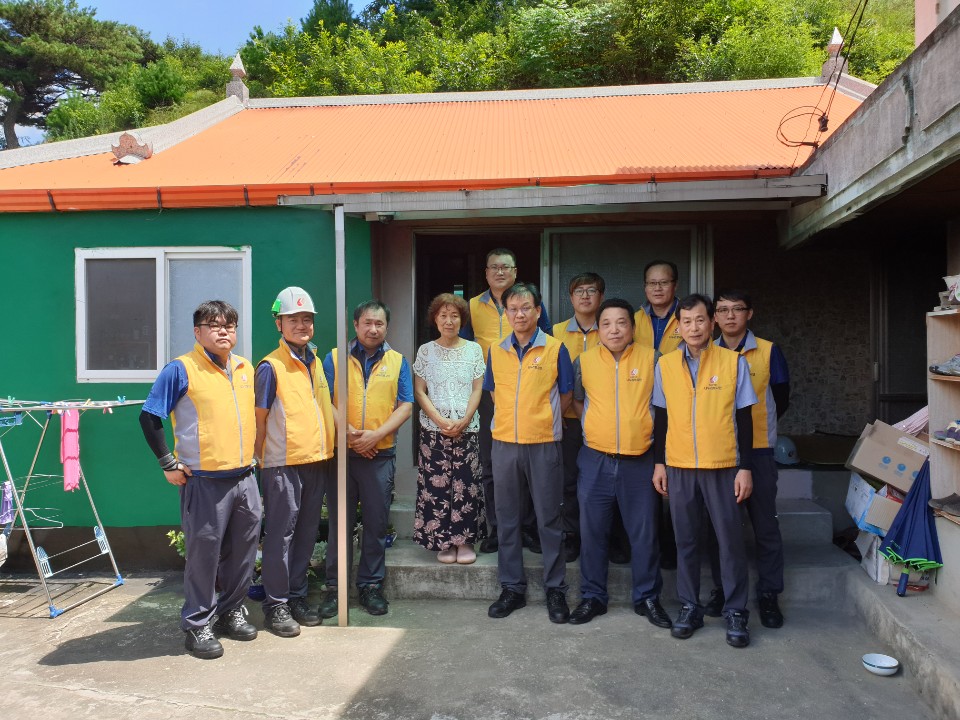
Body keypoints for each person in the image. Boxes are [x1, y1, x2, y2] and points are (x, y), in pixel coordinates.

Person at [139, 300, 260, 660]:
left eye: (230, 326)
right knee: (204, 556)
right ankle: (197, 624)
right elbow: (149, 417)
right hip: (205, 481)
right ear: (198, 332)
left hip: (245, 477)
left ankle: (232, 611)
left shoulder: (244, 368)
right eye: (214, 325)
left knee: (243, 553)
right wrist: (168, 463)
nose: (224, 331)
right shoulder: (180, 369)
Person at [651, 293, 758, 648]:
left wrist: (745, 468)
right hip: (679, 467)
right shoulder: (665, 365)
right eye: (686, 322)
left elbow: (745, 419)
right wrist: (659, 463)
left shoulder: (732, 362)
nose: (693, 328)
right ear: (678, 327)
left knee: (729, 542)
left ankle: (736, 610)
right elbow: (661, 419)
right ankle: (689, 606)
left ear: (711, 323)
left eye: (700, 320)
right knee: (686, 541)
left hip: (722, 466)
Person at [568, 299, 672, 629]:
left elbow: (664, 409)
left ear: (633, 328)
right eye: (608, 323)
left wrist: (659, 460)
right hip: (595, 459)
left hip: (640, 461)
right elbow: (579, 401)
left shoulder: (652, 359)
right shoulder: (583, 361)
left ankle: (648, 598)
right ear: (599, 328)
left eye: (622, 323)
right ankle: (593, 597)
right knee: (593, 532)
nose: (614, 329)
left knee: (644, 535)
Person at [483, 282, 574, 623]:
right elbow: (494, 394)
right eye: (513, 309)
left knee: (549, 518)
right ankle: (512, 588)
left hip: (543, 445)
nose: (519, 314)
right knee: (507, 520)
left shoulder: (555, 349)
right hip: (505, 445)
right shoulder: (496, 350)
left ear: (538, 311)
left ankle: (555, 589)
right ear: (506, 314)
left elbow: (565, 396)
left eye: (526, 308)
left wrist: (539, 422)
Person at [702, 289, 790, 629]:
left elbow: (781, 398)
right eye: (722, 310)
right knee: (721, 529)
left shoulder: (767, 351)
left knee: (765, 525)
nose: (729, 316)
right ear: (714, 319)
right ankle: (722, 590)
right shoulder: (706, 354)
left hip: (759, 452)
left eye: (737, 309)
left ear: (749, 314)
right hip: (720, 454)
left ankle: (769, 594)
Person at [320, 300, 413, 618]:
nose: (373, 329)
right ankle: (335, 589)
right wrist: (346, 434)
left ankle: (371, 587)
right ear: (356, 325)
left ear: (387, 327)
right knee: (339, 524)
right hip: (342, 456)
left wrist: (375, 436)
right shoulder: (334, 358)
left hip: (379, 454)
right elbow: (323, 397)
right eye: (367, 323)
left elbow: (406, 404)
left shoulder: (398, 361)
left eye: (380, 324)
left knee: (375, 524)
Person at [254, 287, 335, 637]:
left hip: (315, 460)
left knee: (305, 534)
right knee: (281, 536)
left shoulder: (314, 362)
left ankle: (297, 595)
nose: (301, 325)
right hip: (282, 464)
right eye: (293, 319)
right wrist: (257, 461)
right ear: (279, 323)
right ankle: (276, 605)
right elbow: (259, 420)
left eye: (307, 319)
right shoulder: (270, 368)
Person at [461, 248, 551, 553]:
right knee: (491, 463)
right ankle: (498, 528)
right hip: (488, 393)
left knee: (524, 463)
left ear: (515, 272)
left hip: (526, 393)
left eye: (506, 268)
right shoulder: (472, 305)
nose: (500, 272)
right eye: (494, 268)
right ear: (486, 273)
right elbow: (462, 346)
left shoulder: (528, 304)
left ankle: (526, 527)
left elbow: (548, 342)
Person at [412, 293, 486, 564]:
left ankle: (465, 541)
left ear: (462, 320)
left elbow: (478, 388)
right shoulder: (425, 351)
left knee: (466, 485)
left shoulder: (474, 350)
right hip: (434, 430)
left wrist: (465, 419)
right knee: (437, 487)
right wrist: (439, 419)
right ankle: (442, 541)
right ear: (435, 319)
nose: (449, 320)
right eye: (443, 315)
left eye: (454, 315)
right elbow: (420, 391)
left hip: (467, 429)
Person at [633, 259, 683, 568]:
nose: (658, 288)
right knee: (645, 486)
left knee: (675, 488)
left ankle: (673, 548)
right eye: (652, 283)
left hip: (678, 414)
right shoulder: (634, 320)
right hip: (641, 412)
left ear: (675, 285)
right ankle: (646, 548)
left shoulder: (688, 318)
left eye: (663, 282)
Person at [553, 272, 605, 563]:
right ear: (570, 298)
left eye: (592, 290)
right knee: (569, 481)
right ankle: (571, 536)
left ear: (600, 296)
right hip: (568, 420)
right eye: (579, 291)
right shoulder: (557, 331)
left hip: (606, 422)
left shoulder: (611, 326)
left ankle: (610, 538)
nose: (585, 296)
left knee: (605, 483)